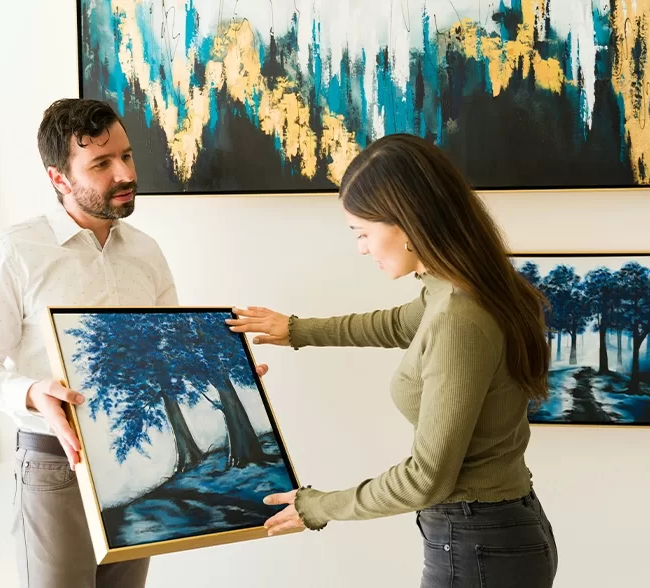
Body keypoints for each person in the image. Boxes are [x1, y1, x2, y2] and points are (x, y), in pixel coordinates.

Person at [0, 98, 268, 588]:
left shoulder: (146, 251)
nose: (124, 172)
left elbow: (166, 354)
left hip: (135, 465)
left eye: (126, 156)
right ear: (59, 178)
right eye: (101, 164)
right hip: (57, 464)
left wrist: (227, 373)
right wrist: (33, 391)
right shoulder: (14, 250)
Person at [227, 133, 558, 587]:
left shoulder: (460, 315)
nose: (361, 247)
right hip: (492, 537)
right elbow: (395, 324)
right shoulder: (458, 289)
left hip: (478, 546)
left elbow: (426, 479)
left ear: (408, 222)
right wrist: (296, 330)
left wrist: (318, 506)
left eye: (363, 232)